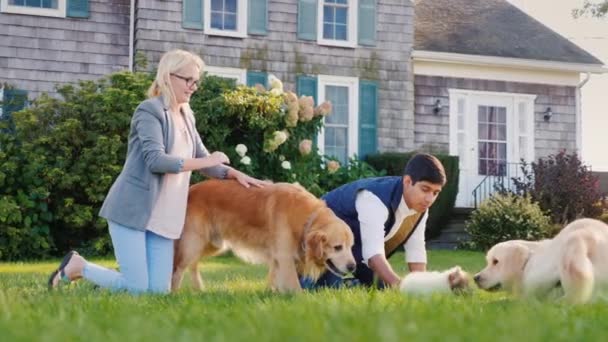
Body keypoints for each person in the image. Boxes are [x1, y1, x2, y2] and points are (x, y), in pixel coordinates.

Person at [47, 49, 267, 294]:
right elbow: (157, 160)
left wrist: (234, 174)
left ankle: (108, 286)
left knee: (158, 293)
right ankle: (79, 266)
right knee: (138, 289)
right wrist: (207, 162)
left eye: (196, 81)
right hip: (133, 211)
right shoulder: (149, 111)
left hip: (164, 219)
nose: (194, 86)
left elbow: (203, 158)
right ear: (168, 76)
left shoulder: (186, 116)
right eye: (188, 80)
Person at [301, 153, 446, 289]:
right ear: (407, 182)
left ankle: (351, 283)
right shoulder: (374, 198)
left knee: (383, 285)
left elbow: (416, 251)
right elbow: (373, 256)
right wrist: (401, 288)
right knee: (313, 287)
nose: (429, 199)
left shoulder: (419, 207)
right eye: (425, 189)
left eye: (435, 193)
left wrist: (421, 288)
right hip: (319, 241)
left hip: (355, 248)